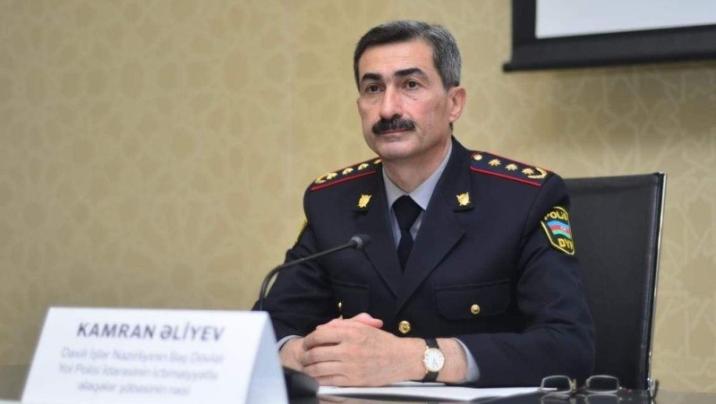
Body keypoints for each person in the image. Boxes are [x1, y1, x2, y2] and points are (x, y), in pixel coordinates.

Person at [255, 20, 594, 387]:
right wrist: (308, 354)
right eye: (373, 89)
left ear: (454, 103)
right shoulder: (331, 202)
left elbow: (568, 348)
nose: (387, 109)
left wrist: (420, 359)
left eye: (410, 85)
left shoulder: (522, 199)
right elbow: (265, 330)